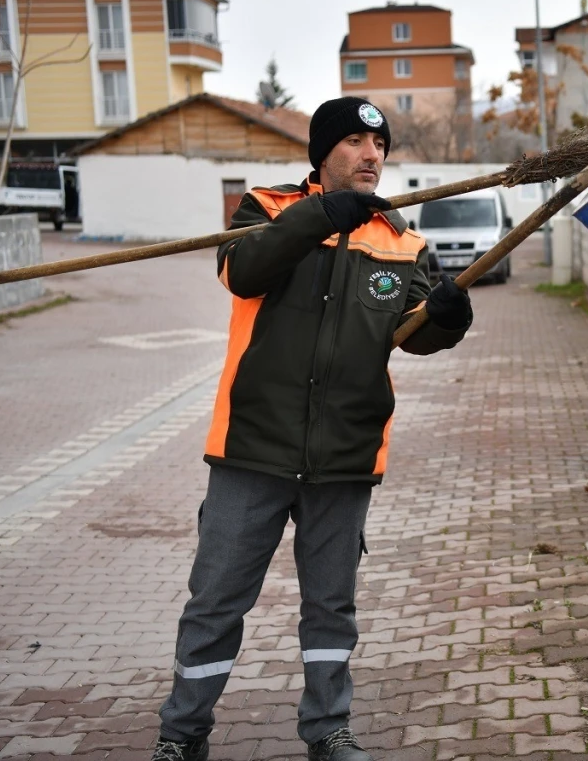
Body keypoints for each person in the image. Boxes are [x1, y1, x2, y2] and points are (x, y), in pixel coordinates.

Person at [152, 97, 473, 761]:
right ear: (323, 152)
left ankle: (328, 729)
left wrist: (447, 318)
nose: (371, 155)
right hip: (253, 449)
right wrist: (318, 216)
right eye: (355, 141)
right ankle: (183, 735)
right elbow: (243, 271)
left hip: (346, 455)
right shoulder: (264, 210)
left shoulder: (402, 241)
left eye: (379, 144)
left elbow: (415, 336)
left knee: (331, 608)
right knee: (215, 601)